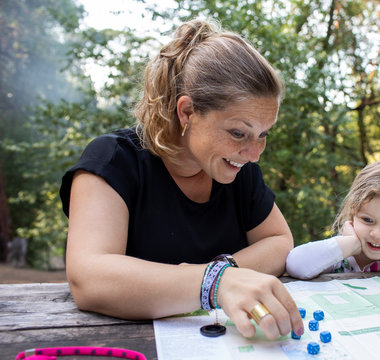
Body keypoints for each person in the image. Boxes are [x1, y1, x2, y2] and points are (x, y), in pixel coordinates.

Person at [59, 18, 303, 341]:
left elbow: (280, 242)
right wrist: (215, 283)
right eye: (238, 132)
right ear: (186, 112)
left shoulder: (238, 169)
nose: (254, 153)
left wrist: (220, 273)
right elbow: (88, 278)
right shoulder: (113, 161)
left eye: (262, 135)